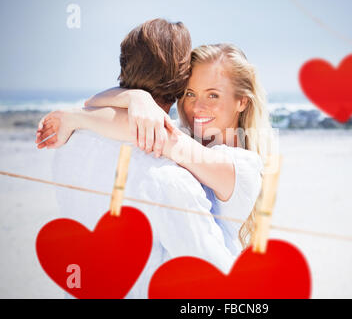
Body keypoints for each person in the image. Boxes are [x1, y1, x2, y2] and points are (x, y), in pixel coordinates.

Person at [37, 30, 274, 297]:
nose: (197, 107)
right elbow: (107, 108)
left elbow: (152, 133)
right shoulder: (183, 141)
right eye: (190, 93)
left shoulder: (243, 166)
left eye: (213, 95)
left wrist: (78, 118)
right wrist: (135, 99)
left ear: (241, 101)